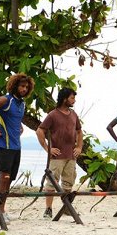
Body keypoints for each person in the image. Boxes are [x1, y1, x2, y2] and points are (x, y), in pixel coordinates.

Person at [0, 73, 34, 224]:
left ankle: (2, 209)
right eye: (22, 86)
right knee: (4, 177)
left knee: (9, 180)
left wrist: (20, 127)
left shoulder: (21, 104)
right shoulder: (5, 99)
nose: (24, 89)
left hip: (17, 146)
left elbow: (14, 119)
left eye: (26, 87)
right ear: (15, 85)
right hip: (5, 145)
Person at [36, 88, 83, 219]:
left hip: (71, 155)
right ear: (64, 99)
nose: (74, 100)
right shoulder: (53, 115)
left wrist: (79, 147)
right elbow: (40, 131)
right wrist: (48, 148)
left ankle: (66, 208)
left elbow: (79, 131)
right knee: (51, 183)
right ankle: (48, 209)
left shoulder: (73, 114)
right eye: (72, 98)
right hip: (57, 156)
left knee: (68, 183)